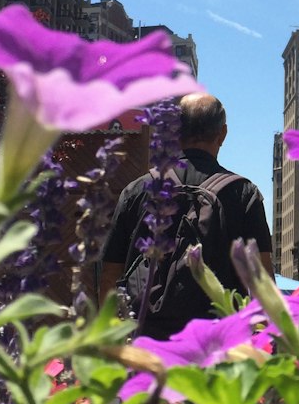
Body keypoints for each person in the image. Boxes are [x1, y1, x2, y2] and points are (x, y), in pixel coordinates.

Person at [99, 93, 273, 337]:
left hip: (148, 342)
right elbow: (262, 280)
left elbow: (109, 273)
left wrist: (112, 336)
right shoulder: (244, 193)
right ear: (222, 134)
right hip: (218, 345)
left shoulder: (137, 190)